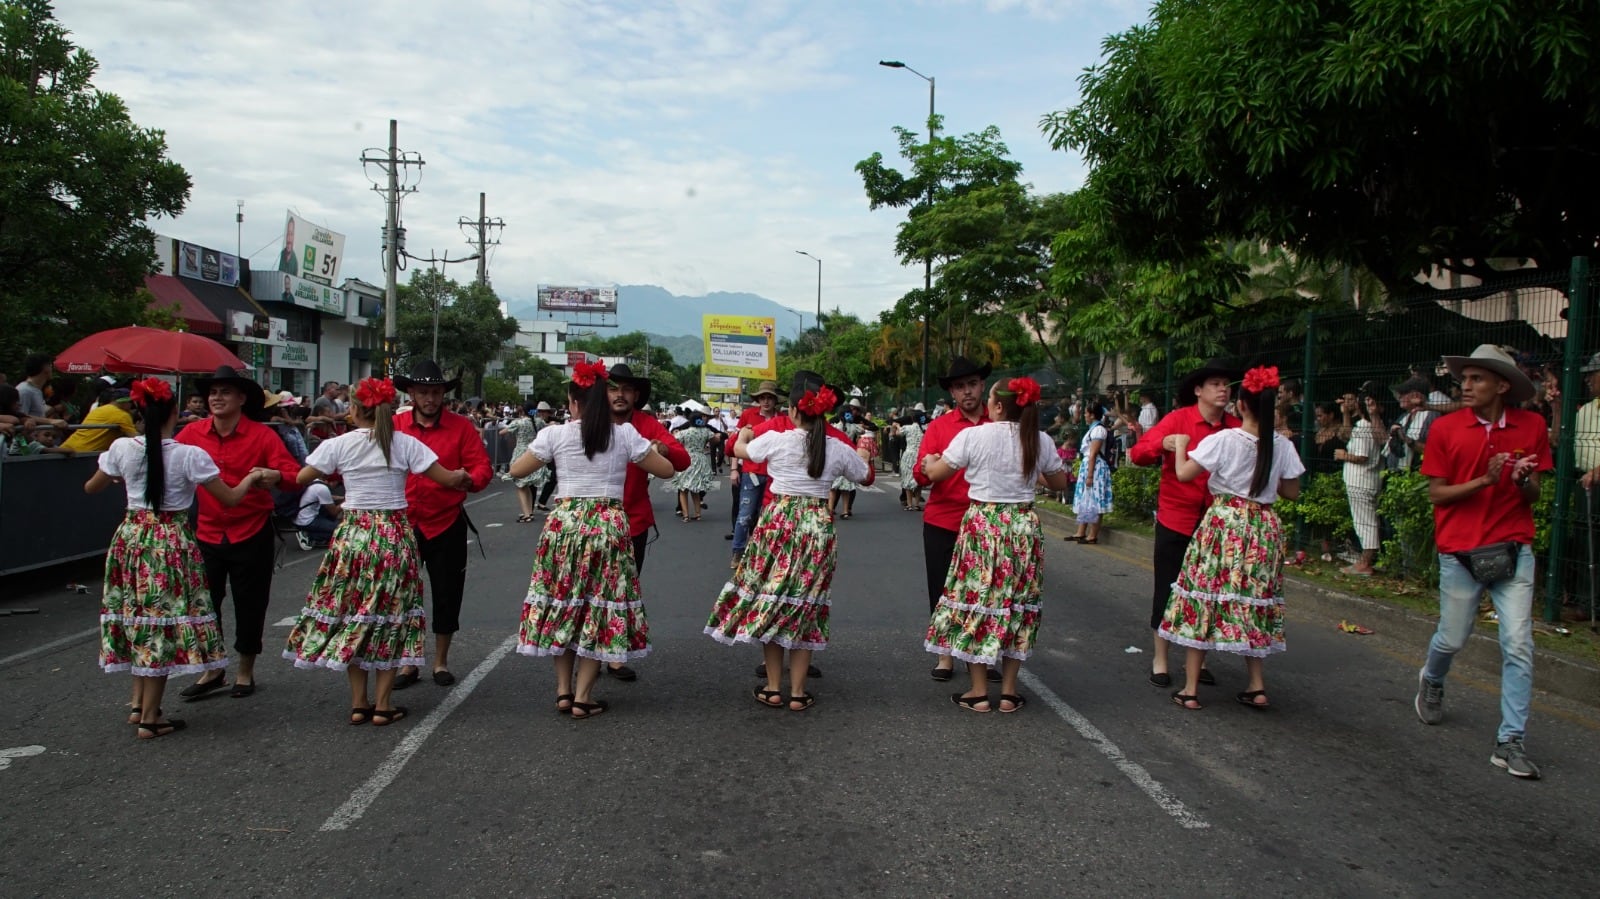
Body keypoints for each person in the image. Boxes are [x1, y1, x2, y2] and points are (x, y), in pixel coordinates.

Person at [283, 378, 472, 726]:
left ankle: (359, 701)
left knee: (355, 612)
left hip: (354, 534)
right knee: (392, 614)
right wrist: (461, 476)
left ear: (353, 410)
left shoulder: (340, 445)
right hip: (393, 535)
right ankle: (383, 704)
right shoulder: (404, 443)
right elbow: (446, 478)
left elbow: (302, 476)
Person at [85, 378, 263, 738]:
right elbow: (229, 498)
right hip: (169, 539)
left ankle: (139, 704)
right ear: (173, 413)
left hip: (131, 536)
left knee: (137, 615)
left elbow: (93, 487)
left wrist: (126, 479)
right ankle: (151, 717)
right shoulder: (187, 454)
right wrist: (252, 479)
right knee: (161, 622)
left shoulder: (122, 448)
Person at [508, 361, 674, 718]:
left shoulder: (555, 435)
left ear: (572, 402)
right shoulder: (625, 435)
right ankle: (584, 696)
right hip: (608, 525)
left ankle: (563, 691)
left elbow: (517, 470)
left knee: (565, 603)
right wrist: (655, 451)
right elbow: (667, 470)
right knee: (598, 607)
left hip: (565, 523)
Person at [1414, 345, 1549, 779]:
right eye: (1464, 379)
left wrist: (1521, 480)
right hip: (1460, 551)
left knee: (1519, 643)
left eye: (1476, 380)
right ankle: (1432, 679)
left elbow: (1535, 495)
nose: (1465, 386)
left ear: (1502, 386)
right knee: (1452, 639)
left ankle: (1510, 741)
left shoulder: (1532, 425)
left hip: (1513, 548)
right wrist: (1486, 480)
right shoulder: (1446, 428)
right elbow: (1436, 493)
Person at [706, 372, 872, 711]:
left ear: (794, 410)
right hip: (816, 523)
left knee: (772, 599)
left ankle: (772, 687)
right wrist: (867, 455)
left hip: (778, 520)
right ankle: (798, 691)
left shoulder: (778, 439)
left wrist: (744, 434)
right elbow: (864, 476)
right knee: (806, 605)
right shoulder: (837, 447)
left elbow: (740, 450)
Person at [1159, 366, 1304, 710]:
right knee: (1251, 600)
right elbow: (1292, 492)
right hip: (1263, 527)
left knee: (1205, 596)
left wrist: (1180, 445)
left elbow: (1183, 474)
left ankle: (1191, 689)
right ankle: (1256, 685)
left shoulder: (1223, 440)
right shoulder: (1282, 445)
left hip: (1225, 524)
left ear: (1242, 406)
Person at [922, 376, 1069, 713]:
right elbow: (1059, 480)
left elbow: (937, 473)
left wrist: (930, 462)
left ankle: (977, 691)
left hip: (984, 524)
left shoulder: (973, 435)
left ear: (999, 405)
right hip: (1022, 526)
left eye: (990, 397)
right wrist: (1033, 472)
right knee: (1016, 602)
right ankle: (1008, 692)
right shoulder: (1039, 439)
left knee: (978, 600)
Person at [174, 366, 301, 700]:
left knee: (251, 603)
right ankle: (212, 669)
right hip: (207, 531)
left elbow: (293, 474)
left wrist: (274, 474)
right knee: (204, 605)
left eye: (225, 392)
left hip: (252, 530)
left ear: (242, 398)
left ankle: (245, 671)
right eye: (213, 392)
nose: (216, 398)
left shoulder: (262, 435)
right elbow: (169, 464)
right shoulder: (191, 435)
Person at [1128, 358, 1240, 688]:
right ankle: (1160, 658)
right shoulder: (1178, 420)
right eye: (1215, 384)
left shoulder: (1234, 426)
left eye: (1226, 384)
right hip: (1176, 517)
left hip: (1217, 522)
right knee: (1168, 587)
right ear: (1198, 390)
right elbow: (1138, 453)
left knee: (1208, 592)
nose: (1223, 389)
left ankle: (1197, 657)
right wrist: (1161, 444)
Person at [391, 359, 494, 689]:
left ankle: (440, 661)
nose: (430, 399)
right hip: (403, 523)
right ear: (411, 393)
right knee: (402, 595)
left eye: (435, 393)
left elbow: (482, 469)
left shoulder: (461, 428)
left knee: (447, 593)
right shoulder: (393, 426)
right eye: (423, 392)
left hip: (446, 522)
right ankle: (408, 661)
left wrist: (468, 480)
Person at [911, 356, 998, 683]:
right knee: (943, 588)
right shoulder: (940, 427)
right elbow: (920, 475)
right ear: (951, 391)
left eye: (972, 384)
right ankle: (944, 653)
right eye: (960, 387)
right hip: (944, 519)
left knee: (987, 591)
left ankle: (983, 654)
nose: (967, 392)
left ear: (982, 385)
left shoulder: (998, 423)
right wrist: (926, 467)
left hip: (989, 522)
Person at [603, 363, 690, 680]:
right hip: (591, 522)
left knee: (622, 590)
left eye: (626, 389)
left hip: (632, 522)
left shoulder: (645, 423)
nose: (620, 395)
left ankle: (614, 654)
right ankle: (586, 652)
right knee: (587, 591)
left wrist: (662, 447)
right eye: (613, 388)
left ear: (635, 395)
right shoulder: (588, 423)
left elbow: (682, 459)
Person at [729, 380, 783, 567]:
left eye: (769, 398)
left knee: (769, 516)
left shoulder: (782, 419)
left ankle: (762, 553)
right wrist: (734, 469)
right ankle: (737, 552)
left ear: (775, 401)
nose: (766, 401)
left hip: (775, 474)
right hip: (751, 472)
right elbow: (736, 443)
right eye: (762, 398)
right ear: (758, 400)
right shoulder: (748, 415)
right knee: (745, 515)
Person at [1333, 382, 1385, 576]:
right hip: (1362, 482)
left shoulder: (1364, 427)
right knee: (1365, 521)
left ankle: (1365, 563)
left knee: (1365, 522)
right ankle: (1366, 559)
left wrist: (1344, 455)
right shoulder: (1366, 426)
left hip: (1361, 482)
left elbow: (1362, 456)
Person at [1068, 402, 1113, 544]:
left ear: (1092, 415)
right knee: (1085, 499)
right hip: (1089, 465)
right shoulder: (1092, 429)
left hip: (1096, 467)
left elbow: (1093, 453)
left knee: (1095, 500)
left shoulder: (1098, 430)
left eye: (1086, 413)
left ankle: (1092, 535)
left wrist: (1090, 475)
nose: (1084, 415)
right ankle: (1081, 532)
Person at [56, 388, 138, 454]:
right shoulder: (122, 415)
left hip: (68, 447)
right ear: (125, 401)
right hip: (82, 454)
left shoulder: (99, 409)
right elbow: (136, 439)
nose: (132, 406)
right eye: (131, 403)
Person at [672, 406, 718, 521]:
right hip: (700, 460)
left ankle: (686, 515)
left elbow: (673, 441)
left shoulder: (684, 433)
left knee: (683, 489)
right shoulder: (706, 432)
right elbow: (716, 439)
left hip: (686, 459)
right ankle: (698, 514)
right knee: (696, 489)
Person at [505, 406, 541, 522]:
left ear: (522, 411)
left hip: (520, 453)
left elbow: (502, 432)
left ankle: (526, 514)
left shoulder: (519, 423)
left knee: (520, 484)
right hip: (532, 453)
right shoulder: (538, 421)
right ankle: (529, 512)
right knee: (527, 485)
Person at [294, 476, 341, 549]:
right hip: (307, 521)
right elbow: (334, 512)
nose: (336, 486)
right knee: (340, 531)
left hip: (302, 517)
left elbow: (327, 497)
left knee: (334, 524)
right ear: (334, 481)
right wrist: (346, 502)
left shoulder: (316, 482)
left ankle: (309, 533)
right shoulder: (322, 489)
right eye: (338, 484)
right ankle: (309, 535)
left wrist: (341, 498)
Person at [897, 408, 927, 511]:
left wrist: (896, 426)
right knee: (918, 479)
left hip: (908, 455)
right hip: (920, 456)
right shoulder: (924, 429)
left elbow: (897, 433)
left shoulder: (907, 428)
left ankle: (909, 504)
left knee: (907, 479)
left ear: (912, 418)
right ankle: (917, 504)